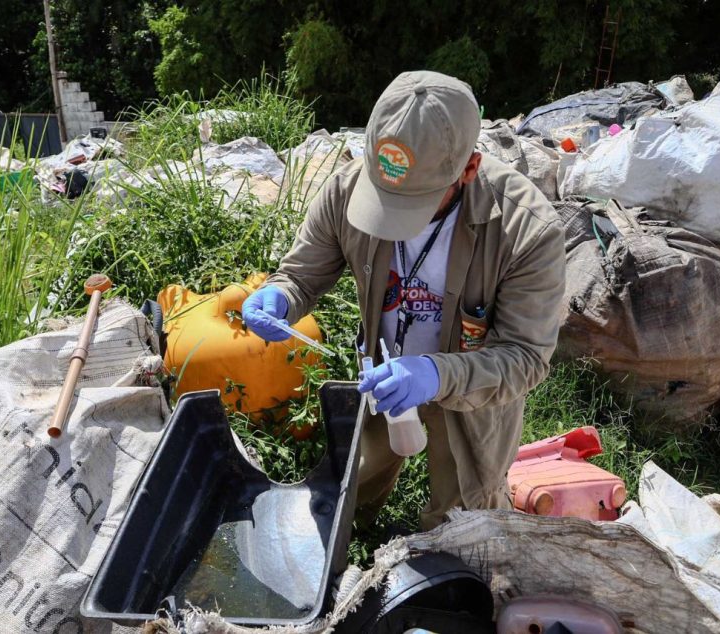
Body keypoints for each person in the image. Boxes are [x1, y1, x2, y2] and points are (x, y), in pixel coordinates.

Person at [242, 70, 566, 530]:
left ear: (469, 169)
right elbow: (301, 273)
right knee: (354, 487)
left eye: (414, 202)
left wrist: (435, 374)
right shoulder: (345, 189)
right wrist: (279, 296)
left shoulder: (526, 230)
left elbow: (525, 358)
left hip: (472, 394)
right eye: (383, 196)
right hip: (382, 375)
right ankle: (355, 535)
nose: (392, 216)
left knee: (462, 526)